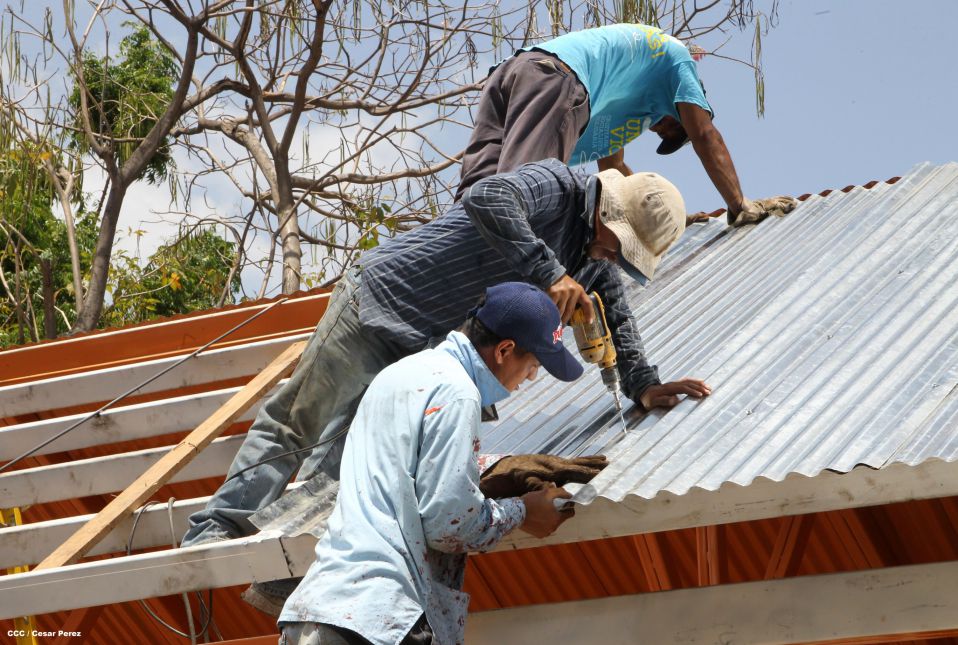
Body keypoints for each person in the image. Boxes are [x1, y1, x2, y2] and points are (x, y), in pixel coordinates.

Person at [182, 158, 710, 610]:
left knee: (348, 460)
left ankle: (285, 572)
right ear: (606, 212)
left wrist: (643, 384)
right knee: (298, 423)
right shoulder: (556, 185)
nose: (611, 259)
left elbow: (614, 313)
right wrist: (549, 270)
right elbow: (488, 198)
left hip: (426, 350)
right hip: (384, 303)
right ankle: (216, 532)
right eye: (617, 247)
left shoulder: (593, 262)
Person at [278, 282, 585, 645]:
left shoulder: (398, 375)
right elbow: (448, 523)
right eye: (533, 365)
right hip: (379, 617)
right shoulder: (457, 393)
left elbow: (405, 471)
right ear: (504, 350)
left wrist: (489, 469)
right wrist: (523, 511)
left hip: (316, 610)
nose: (531, 377)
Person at [455, 23, 797, 225]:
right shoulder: (677, 60)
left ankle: (448, 270)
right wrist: (739, 204)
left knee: (474, 200)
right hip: (553, 75)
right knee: (520, 198)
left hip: (510, 77)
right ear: (686, 108)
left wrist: (664, 223)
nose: (660, 131)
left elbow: (615, 172)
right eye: (673, 128)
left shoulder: (625, 106)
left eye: (663, 135)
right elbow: (705, 135)